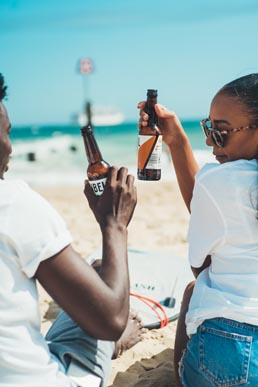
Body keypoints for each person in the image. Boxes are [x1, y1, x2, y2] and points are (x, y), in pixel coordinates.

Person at [0, 73, 144, 387]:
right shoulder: (13, 202)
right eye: (7, 132)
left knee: (91, 280)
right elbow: (110, 321)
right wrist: (114, 225)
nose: (10, 148)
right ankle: (107, 351)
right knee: (102, 306)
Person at [138, 73, 258, 386]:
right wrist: (176, 140)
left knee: (195, 289)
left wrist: (175, 141)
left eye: (221, 132)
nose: (209, 142)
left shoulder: (221, 181)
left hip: (231, 355)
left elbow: (199, 266)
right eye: (209, 128)